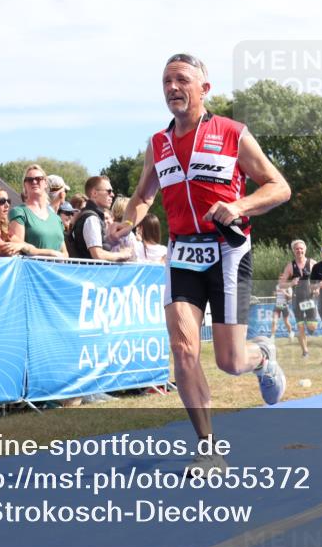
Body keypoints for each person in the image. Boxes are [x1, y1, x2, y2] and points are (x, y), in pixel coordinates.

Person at [109, 52, 291, 476]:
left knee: (229, 361)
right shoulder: (158, 143)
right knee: (183, 348)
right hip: (184, 253)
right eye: (166, 81)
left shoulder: (231, 132)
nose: (173, 88)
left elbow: (279, 187)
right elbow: (142, 197)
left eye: (181, 80)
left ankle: (262, 357)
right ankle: (210, 449)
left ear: (204, 89)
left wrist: (240, 204)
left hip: (229, 251)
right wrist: (127, 223)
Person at [8, 165, 68, 258]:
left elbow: (65, 253)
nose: (34, 182)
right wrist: (50, 253)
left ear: (45, 183)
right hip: (32, 270)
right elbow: (17, 247)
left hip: (56, 270)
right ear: (25, 184)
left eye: (38, 178)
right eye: (29, 180)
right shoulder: (19, 212)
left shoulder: (56, 218)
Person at [72, 176, 132, 261]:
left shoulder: (90, 216)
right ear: (94, 193)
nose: (112, 194)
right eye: (109, 191)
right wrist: (122, 255)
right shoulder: (91, 218)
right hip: (91, 272)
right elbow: (98, 254)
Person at [280, 239, 318, 358]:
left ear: (305, 250)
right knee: (300, 326)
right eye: (297, 249)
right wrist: (291, 284)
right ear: (293, 251)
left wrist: (317, 288)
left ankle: (309, 324)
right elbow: (281, 284)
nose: (299, 250)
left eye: (301, 248)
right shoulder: (290, 266)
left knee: (312, 326)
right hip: (297, 299)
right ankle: (305, 351)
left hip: (310, 298)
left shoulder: (312, 263)